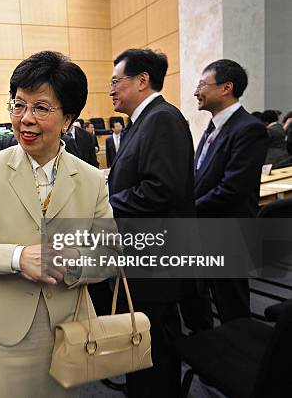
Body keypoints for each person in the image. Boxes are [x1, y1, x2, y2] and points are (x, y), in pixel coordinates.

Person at [0, 51, 117, 398]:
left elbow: (108, 254)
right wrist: (18, 256)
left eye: (41, 108)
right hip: (3, 326)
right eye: (18, 105)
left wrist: (73, 261)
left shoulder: (90, 179)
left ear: (68, 118)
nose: (25, 119)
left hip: (68, 324)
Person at [106, 48, 195, 398]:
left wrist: (106, 203)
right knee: (142, 338)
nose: (110, 90)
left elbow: (162, 189)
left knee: (155, 340)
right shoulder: (140, 122)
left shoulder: (162, 119)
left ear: (142, 80)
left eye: (116, 81)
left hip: (156, 258)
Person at [181, 59, 268, 331]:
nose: (196, 92)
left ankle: (242, 365)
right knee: (198, 300)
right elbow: (201, 177)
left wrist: (189, 211)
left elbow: (231, 189)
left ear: (226, 88)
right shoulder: (212, 127)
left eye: (201, 85)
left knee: (232, 308)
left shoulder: (248, 129)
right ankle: (211, 358)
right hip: (203, 233)